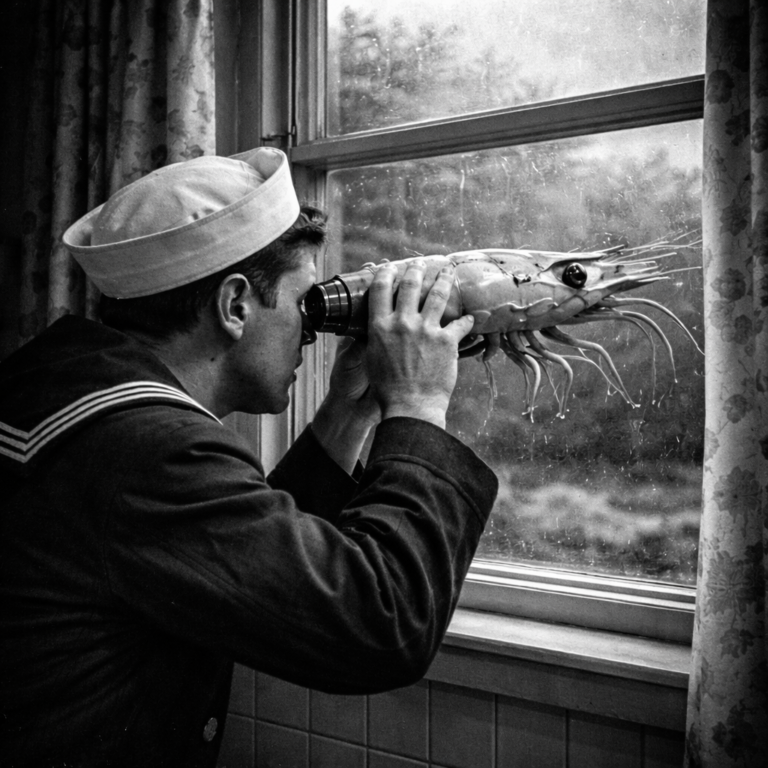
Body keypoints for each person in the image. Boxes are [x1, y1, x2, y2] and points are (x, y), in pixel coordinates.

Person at [0, 147, 498, 767]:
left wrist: (349, 412)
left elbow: (243, 554)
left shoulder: (56, 386)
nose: (311, 331)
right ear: (235, 305)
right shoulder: (149, 451)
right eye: (302, 304)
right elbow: (380, 625)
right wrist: (418, 403)